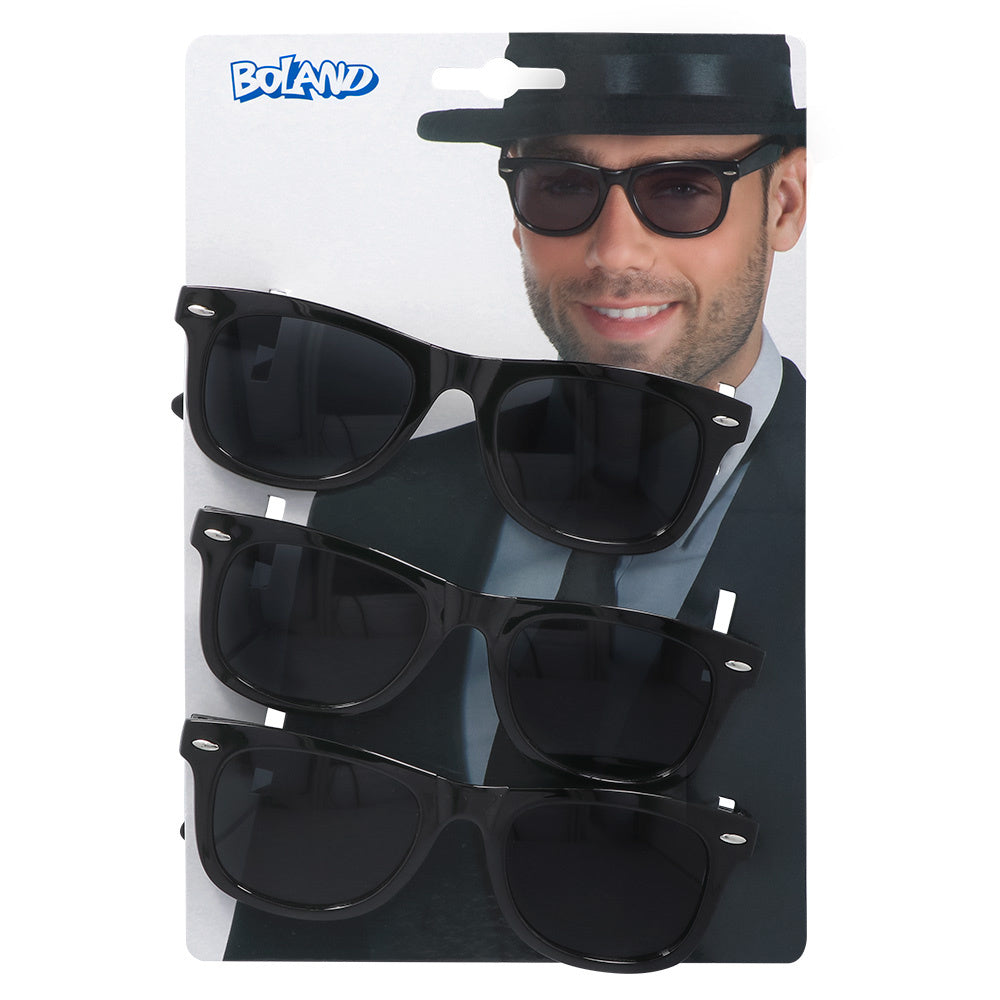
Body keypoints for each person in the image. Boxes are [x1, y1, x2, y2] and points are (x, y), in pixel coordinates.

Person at [224, 32, 806, 965]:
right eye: (564, 188)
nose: (614, 253)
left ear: (784, 202)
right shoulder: (368, 504)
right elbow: (296, 873)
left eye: (681, 190)